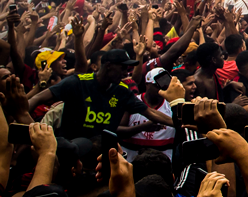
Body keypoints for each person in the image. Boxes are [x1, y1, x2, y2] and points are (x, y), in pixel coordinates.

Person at [28, 49, 173, 140]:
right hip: (71, 149)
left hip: (101, 155)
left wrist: (180, 124)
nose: (125, 73)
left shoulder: (122, 91)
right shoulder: (77, 83)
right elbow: (36, 98)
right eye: (122, 68)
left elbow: (150, 113)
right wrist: (28, 128)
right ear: (108, 65)